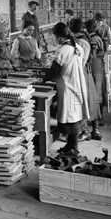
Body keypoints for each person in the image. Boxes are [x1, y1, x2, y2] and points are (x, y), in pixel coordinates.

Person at [40, 22, 89, 156]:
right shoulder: (77, 46)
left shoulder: (63, 49)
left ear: (60, 37)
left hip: (68, 85)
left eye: (54, 37)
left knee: (70, 116)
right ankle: (71, 145)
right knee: (75, 114)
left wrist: (43, 80)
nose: (54, 40)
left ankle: (73, 148)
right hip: (77, 83)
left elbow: (54, 69)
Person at [69, 18, 102, 141]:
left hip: (82, 73)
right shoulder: (84, 38)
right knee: (91, 101)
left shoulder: (80, 42)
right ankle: (95, 129)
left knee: (84, 101)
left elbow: (79, 62)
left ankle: (85, 131)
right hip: (86, 73)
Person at [86, 19, 107, 130]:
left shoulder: (94, 39)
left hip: (96, 66)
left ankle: (98, 118)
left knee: (97, 90)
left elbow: (99, 53)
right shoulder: (95, 37)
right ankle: (98, 117)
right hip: (97, 65)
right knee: (98, 90)